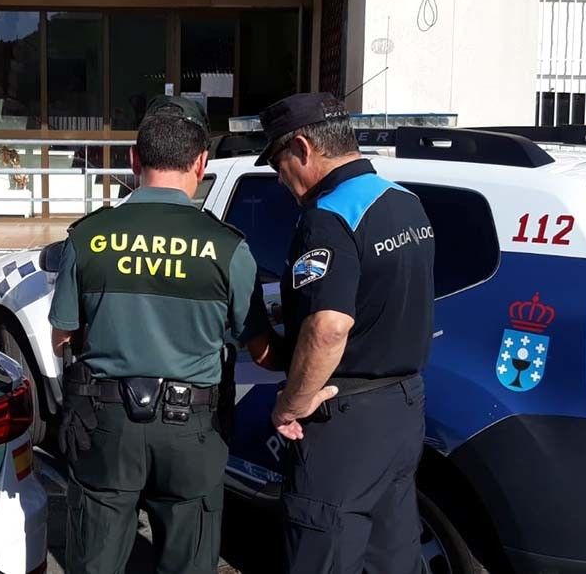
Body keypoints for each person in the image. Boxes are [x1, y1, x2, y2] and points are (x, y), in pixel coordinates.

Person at [48, 96, 294, 574]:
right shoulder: (229, 248)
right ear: (201, 163)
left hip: (106, 427)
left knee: (94, 560)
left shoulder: (87, 238)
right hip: (193, 431)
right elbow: (261, 350)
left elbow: (63, 337)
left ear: (134, 160)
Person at [255, 92, 436, 574]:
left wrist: (292, 402)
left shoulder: (327, 218)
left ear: (302, 147)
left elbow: (329, 327)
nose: (279, 177)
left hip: (346, 418)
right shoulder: (406, 203)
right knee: (392, 553)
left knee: (324, 551)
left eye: (278, 161)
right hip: (403, 405)